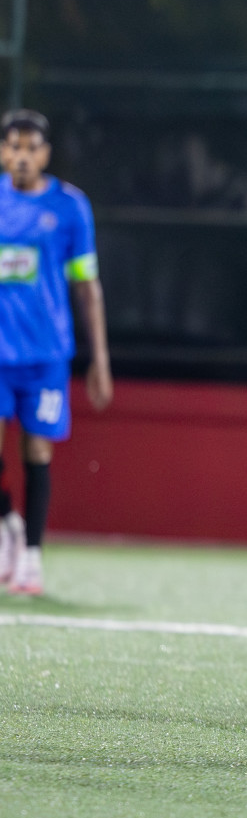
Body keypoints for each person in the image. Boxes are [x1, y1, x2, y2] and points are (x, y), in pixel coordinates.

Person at [0, 109, 114, 595]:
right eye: (13, 146)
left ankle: (32, 556)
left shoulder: (70, 208)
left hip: (46, 353)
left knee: (37, 448)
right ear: (3, 151)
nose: (22, 156)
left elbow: (87, 285)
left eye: (32, 147)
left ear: (45, 154)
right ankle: (8, 520)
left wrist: (100, 360)